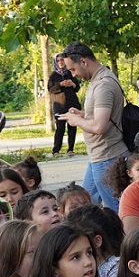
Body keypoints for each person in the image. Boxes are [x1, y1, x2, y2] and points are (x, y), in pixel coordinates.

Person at [55, 43, 131, 206]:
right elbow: (101, 115)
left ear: (83, 61)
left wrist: (76, 121)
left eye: (73, 69)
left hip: (107, 157)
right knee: (84, 206)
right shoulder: (97, 80)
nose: (73, 74)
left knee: (115, 210)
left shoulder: (103, 84)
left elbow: (99, 127)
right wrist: (82, 114)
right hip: (98, 156)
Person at [47, 55, 81, 156]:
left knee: (72, 128)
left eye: (62, 60)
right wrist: (60, 84)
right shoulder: (53, 76)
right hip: (60, 105)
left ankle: (70, 149)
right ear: (55, 63)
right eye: (58, 61)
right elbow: (50, 89)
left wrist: (72, 84)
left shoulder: (70, 73)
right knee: (60, 128)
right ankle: (56, 150)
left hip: (72, 104)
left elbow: (77, 87)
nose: (60, 62)